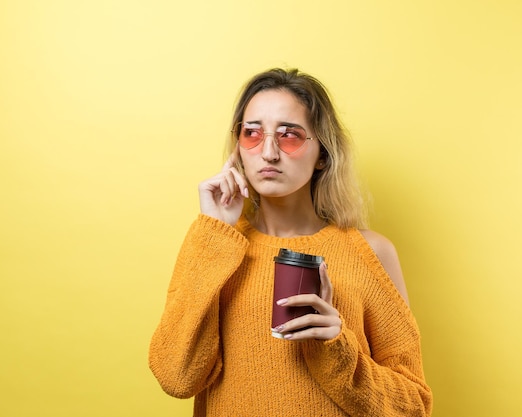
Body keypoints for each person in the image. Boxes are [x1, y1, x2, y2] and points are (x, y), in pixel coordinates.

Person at [149, 68, 432, 416]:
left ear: (323, 154)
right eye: (252, 133)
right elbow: (176, 377)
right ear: (238, 148)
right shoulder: (215, 244)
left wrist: (336, 347)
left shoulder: (370, 252)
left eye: (289, 136)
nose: (268, 152)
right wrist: (215, 231)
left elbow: (413, 408)